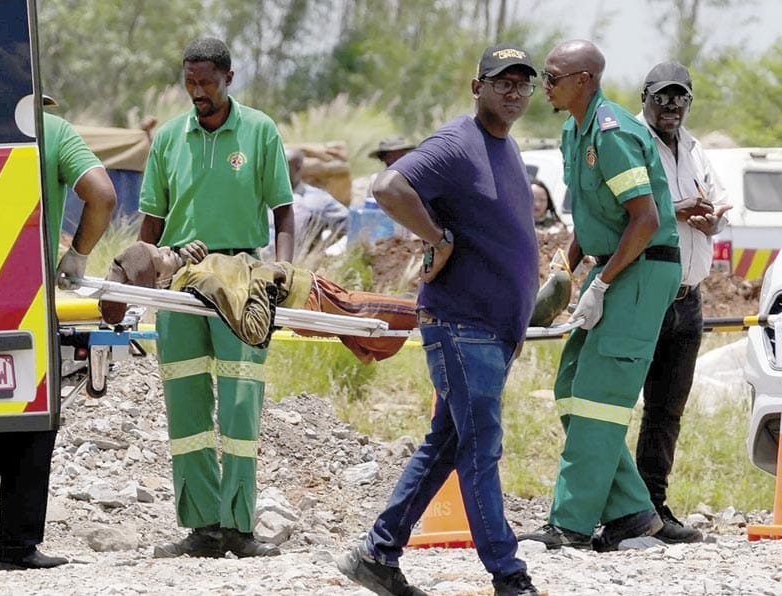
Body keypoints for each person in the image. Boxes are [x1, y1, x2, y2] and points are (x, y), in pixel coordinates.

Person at [336, 42, 542, 596]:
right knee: (482, 447)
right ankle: (509, 575)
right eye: (503, 82)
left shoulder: (505, 147)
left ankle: (377, 554)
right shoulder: (457, 142)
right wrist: (436, 237)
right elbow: (387, 186)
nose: (515, 91)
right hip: (460, 325)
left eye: (524, 82)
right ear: (478, 88)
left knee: (448, 444)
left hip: (491, 331)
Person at [518, 40, 681, 552]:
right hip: (614, 265)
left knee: (598, 399)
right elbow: (592, 219)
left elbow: (646, 219)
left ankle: (570, 522)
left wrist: (604, 283)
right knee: (570, 386)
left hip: (641, 269)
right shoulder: (573, 130)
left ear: (585, 79)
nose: (544, 85)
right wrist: (564, 271)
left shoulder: (612, 133)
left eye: (552, 76)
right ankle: (632, 513)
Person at [137, 38, 293, 559]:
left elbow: (283, 212)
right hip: (180, 279)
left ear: (229, 77)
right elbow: (152, 225)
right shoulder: (166, 139)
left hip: (244, 277)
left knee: (240, 401)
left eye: (207, 82)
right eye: (190, 82)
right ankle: (201, 526)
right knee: (185, 402)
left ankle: (239, 527)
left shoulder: (259, 130)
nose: (197, 92)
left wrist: (281, 270)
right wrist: (144, 273)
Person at [0, 99, 117, 570]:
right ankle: (14, 544)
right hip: (25, 297)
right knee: (30, 415)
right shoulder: (52, 130)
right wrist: (77, 253)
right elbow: (102, 194)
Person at [635, 61, 731, 543]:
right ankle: (614, 510)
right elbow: (624, 214)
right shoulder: (630, 142)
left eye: (681, 98)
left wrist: (712, 220)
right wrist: (675, 212)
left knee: (666, 411)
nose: (672, 106)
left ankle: (654, 509)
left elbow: (716, 206)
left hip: (688, 299)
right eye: (663, 96)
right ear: (645, 96)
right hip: (643, 296)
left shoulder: (694, 149)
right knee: (610, 407)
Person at [100, 240, 418, 363]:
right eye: (162, 255)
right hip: (304, 295)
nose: (168, 248)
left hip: (306, 290)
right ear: (158, 276)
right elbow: (253, 329)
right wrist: (264, 280)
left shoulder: (189, 272)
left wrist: (192, 254)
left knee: (383, 327)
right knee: (404, 314)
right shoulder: (199, 281)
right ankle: (441, 314)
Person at [286, 147, 348, 257]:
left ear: (297, 168)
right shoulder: (260, 196)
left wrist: (320, 248)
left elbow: (348, 223)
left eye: (282, 166)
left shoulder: (318, 199)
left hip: (297, 265)